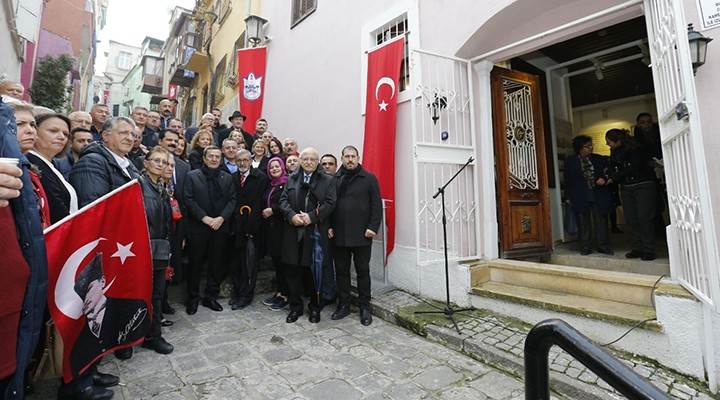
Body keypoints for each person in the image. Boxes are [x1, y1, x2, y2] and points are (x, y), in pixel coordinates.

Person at [1, 98, 49, 400]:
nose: (29, 129)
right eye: (19, 124)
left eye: (32, 123)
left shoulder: (28, 170)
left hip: (25, 290)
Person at [279, 148, 336, 324]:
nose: (309, 162)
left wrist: (311, 217)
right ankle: (295, 307)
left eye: (313, 159)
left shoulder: (327, 180)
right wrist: (292, 216)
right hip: (293, 232)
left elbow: (330, 202)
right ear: (300, 160)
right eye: (305, 159)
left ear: (317, 161)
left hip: (315, 232)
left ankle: (315, 307)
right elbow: (283, 201)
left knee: (314, 272)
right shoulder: (291, 178)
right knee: (292, 271)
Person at [328, 146, 381, 326]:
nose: (350, 159)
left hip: (362, 234)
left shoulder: (369, 179)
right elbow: (328, 205)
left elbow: (376, 205)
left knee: (362, 271)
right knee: (341, 272)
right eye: (347, 156)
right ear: (341, 158)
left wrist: (373, 227)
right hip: (339, 234)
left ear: (358, 158)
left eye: (353, 156)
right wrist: (328, 226)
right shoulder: (334, 179)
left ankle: (364, 307)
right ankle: (343, 305)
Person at [183, 146, 237, 315]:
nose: (214, 159)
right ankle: (193, 299)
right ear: (204, 159)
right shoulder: (192, 176)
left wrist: (221, 218)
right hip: (199, 227)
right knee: (195, 265)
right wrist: (204, 218)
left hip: (220, 228)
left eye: (217, 157)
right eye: (211, 156)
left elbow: (232, 200)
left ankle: (210, 297)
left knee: (216, 264)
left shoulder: (227, 178)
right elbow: (188, 199)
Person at [137, 147, 175, 355]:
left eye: (165, 162)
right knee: (138, 294)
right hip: (142, 248)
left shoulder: (161, 187)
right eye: (156, 160)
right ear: (146, 162)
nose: (161, 165)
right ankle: (132, 336)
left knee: (157, 294)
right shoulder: (138, 185)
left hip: (159, 248)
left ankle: (153, 335)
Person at [606, 128, 658, 261]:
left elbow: (635, 166)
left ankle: (648, 249)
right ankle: (637, 248)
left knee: (644, 218)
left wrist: (616, 176)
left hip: (643, 185)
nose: (608, 144)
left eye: (609, 142)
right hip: (626, 187)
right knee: (631, 219)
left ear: (618, 140)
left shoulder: (636, 148)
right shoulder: (614, 151)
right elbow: (615, 166)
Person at [228, 149, 269, 310]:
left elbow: (260, 203)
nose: (243, 163)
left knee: (249, 264)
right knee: (236, 263)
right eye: (239, 161)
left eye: (245, 160)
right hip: (236, 228)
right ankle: (238, 293)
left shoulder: (260, 178)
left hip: (253, 229)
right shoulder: (232, 178)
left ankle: (246, 295)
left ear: (251, 160)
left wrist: (252, 227)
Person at [563, 136, 614, 255]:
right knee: (582, 221)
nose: (591, 148)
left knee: (601, 220)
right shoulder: (570, 161)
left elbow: (610, 172)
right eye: (587, 146)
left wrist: (605, 178)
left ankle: (603, 245)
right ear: (580, 149)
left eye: (591, 145)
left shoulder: (599, 159)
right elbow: (567, 180)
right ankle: (585, 246)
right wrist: (568, 197)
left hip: (598, 193)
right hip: (580, 195)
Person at [26, 113, 78, 224]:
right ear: (35, 132)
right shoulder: (32, 163)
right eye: (53, 131)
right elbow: (55, 209)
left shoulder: (50, 164)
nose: (61, 137)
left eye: (65, 133)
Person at [261, 157, 290, 311]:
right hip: (271, 230)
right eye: (271, 167)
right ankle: (280, 292)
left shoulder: (287, 184)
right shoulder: (270, 184)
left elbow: (289, 203)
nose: (274, 169)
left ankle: (286, 295)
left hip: (283, 230)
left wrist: (273, 210)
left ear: (282, 167)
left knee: (283, 264)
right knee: (277, 264)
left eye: (277, 166)